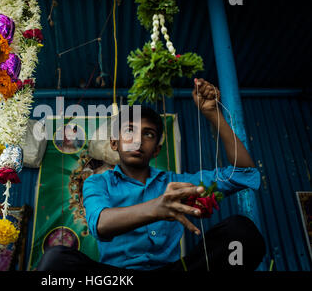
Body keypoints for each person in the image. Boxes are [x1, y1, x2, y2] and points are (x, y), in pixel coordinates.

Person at [37, 78, 266, 271]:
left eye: (148, 134)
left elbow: (242, 173)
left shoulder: (177, 184)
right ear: (114, 143)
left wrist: (213, 113)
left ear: (156, 148)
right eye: (129, 131)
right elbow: (100, 224)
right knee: (55, 261)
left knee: (241, 233)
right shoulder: (98, 182)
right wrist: (157, 208)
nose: (137, 140)